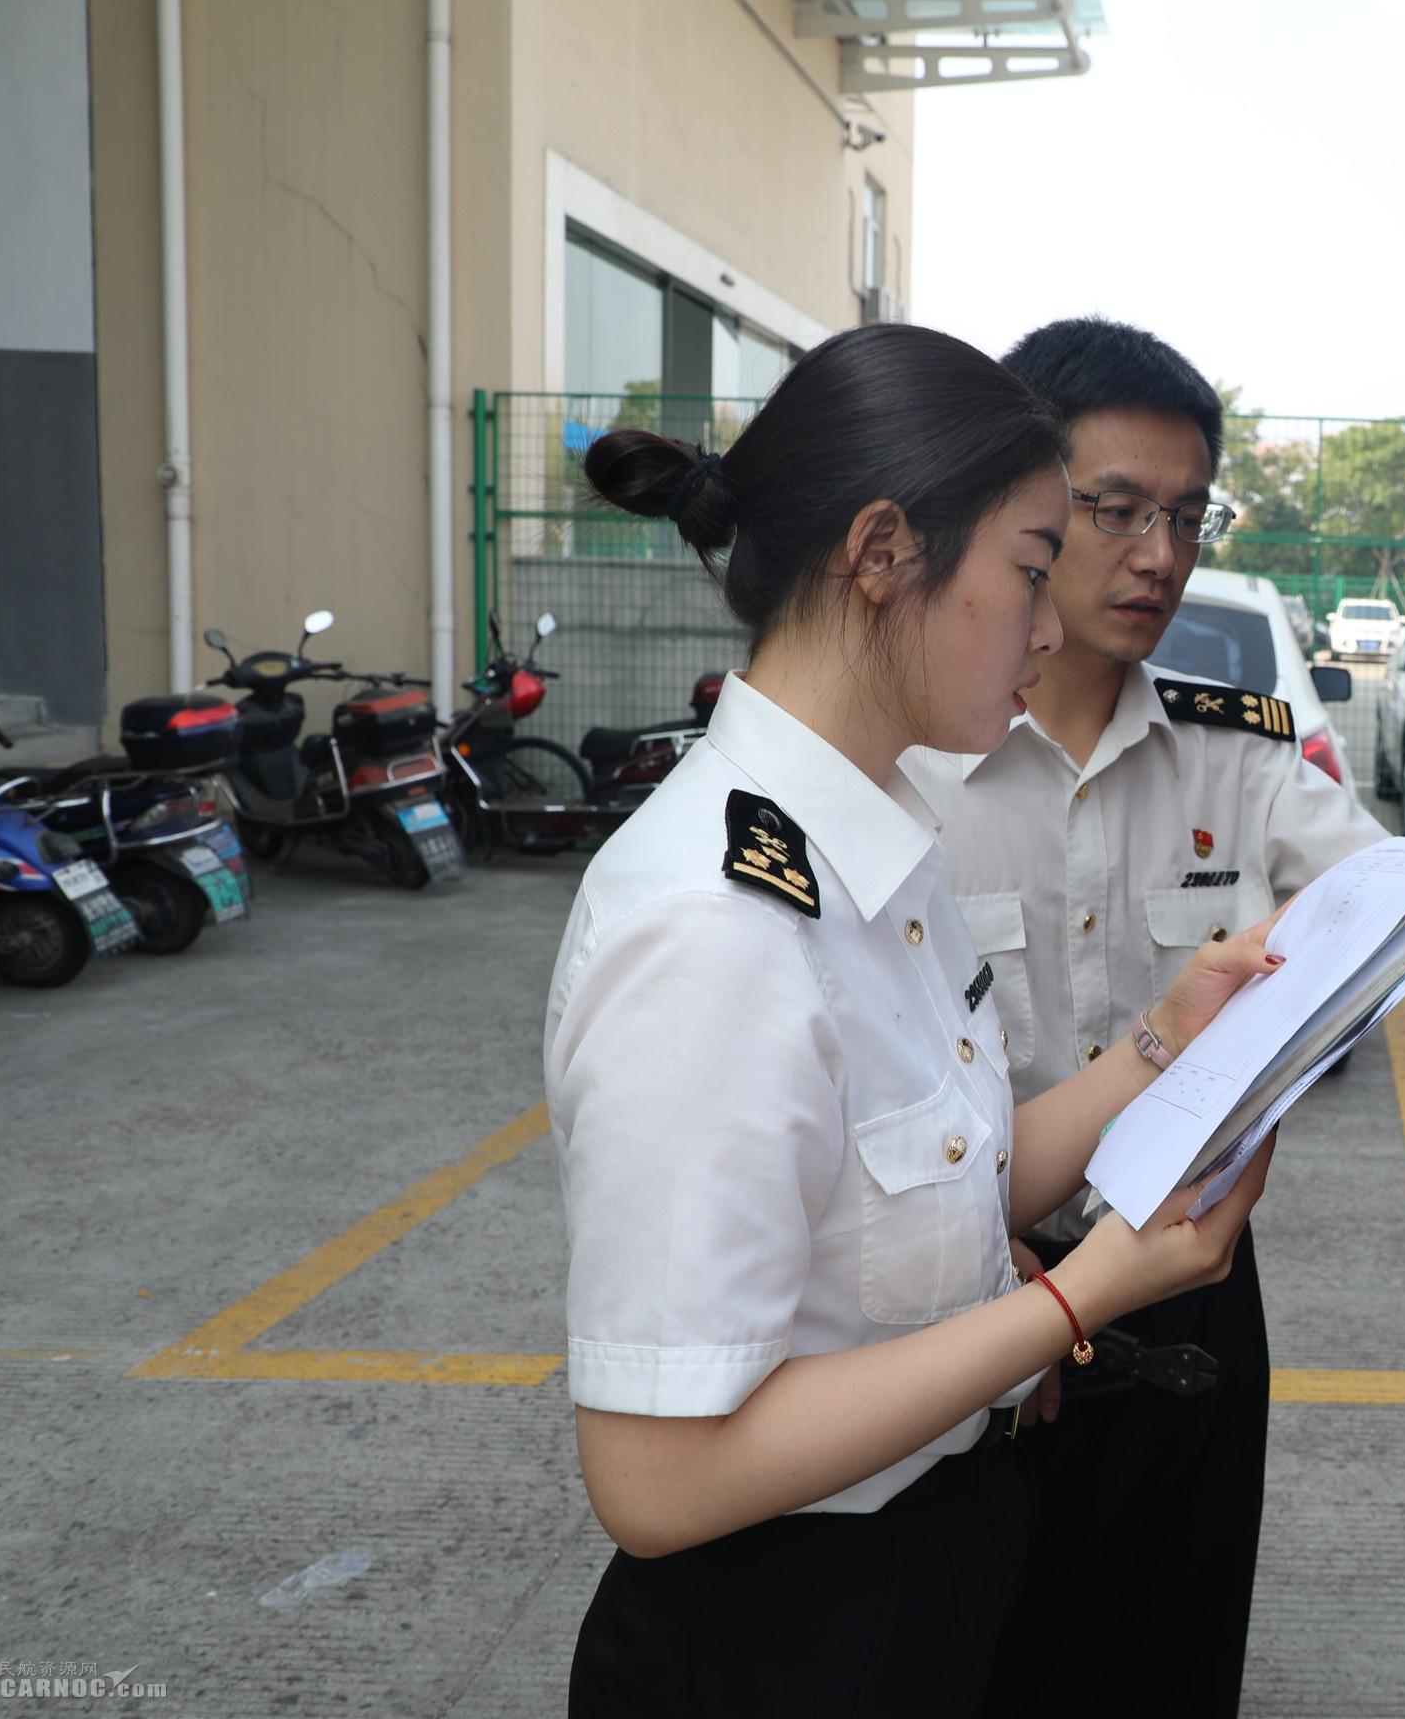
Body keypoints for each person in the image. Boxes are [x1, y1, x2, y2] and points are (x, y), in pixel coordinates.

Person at [899, 317, 1405, 1717]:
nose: (1161, 554)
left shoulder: (1239, 756)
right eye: (1117, 508)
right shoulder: (907, 770)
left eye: (1188, 515)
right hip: (964, 1300)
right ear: (1019, 502)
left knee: (1172, 1666)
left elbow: (1403, 908)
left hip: (1187, 1299)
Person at [546, 323, 1292, 1717]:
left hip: (934, 1573)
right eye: (1028, 568)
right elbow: (657, 1480)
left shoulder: (874, 848)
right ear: (885, 554)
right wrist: (1079, 1298)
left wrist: (1159, 1044)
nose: (1054, 624)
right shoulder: (714, 925)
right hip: (784, 1638)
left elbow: (942, 1188)